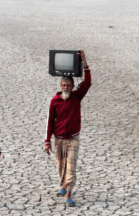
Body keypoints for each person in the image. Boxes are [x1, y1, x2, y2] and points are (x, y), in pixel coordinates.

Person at [45, 50, 91, 207]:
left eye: (69, 85)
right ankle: (63, 186)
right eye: (63, 85)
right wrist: (47, 141)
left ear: (72, 87)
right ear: (60, 86)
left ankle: (68, 194)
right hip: (59, 139)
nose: (66, 87)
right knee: (61, 165)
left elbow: (88, 82)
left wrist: (84, 62)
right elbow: (50, 121)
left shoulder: (77, 97)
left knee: (71, 166)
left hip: (73, 138)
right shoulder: (55, 101)